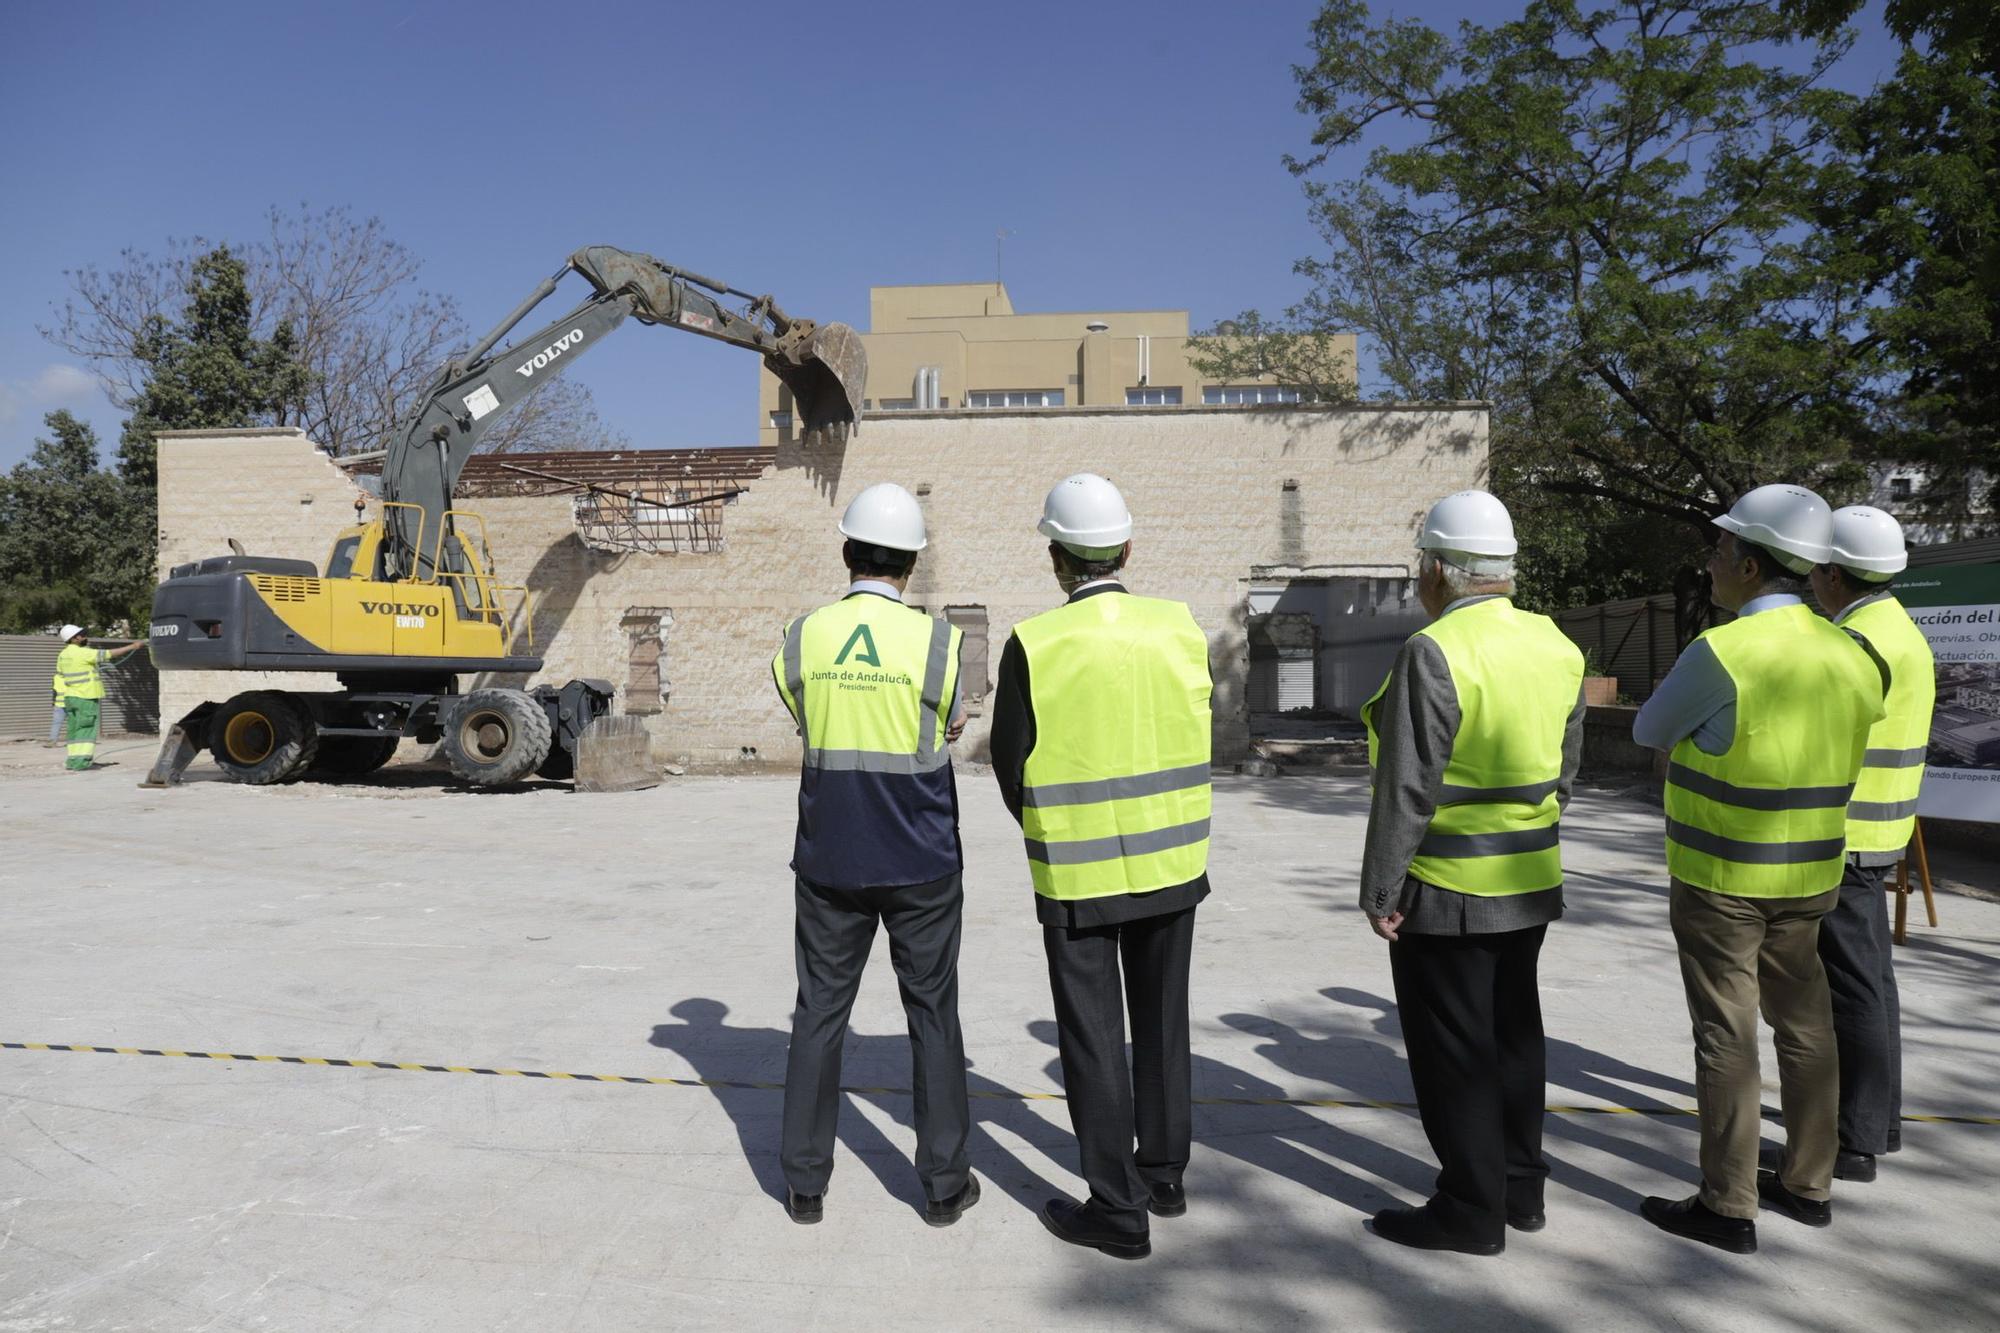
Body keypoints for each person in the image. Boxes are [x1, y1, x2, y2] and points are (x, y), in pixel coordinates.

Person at [1633, 485, 1887, 1253]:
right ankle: (1809, 1184)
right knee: (1808, 1027)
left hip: (1722, 878)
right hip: (1811, 875)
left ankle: (1728, 1202)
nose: (1709, 563)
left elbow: (1650, 726)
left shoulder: (1723, 651)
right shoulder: (1854, 652)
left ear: (1748, 563)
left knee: (1727, 1032)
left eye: (1717, 551)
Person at [1357, 490, 1586, 1256]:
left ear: (1443, 570)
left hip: (1448, 890)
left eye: (1423, 560)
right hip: (1529, 879)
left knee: (1455, 1053)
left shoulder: (1435, 651)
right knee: (1516, 1038)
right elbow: (1567, 768)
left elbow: (1407, 786)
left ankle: (1469, 1207)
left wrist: (1383, 889)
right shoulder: (1556, 643)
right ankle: (1521, 1189)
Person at [992, 472, 1212, 1262]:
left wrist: (1063, 824)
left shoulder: (1036, 642)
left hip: (1079, 874)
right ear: (1127, 547)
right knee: (1162, 1023)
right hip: (1174, 859)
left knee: (1093, 1036)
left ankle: (1118, 1206)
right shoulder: (1181, 627)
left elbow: (1011, 766)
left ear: (1057, 559)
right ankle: (1165, 1173)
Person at [769, 483, 979, 1229]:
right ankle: (945, 1184)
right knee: (932, 1013)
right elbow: (952, 721)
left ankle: (803, 1183)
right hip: (922, 860)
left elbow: (804, 713)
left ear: (846, 549)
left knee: (819, 1012)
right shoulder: (941, 644)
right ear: (913, 565)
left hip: (829, 859)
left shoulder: (802, 637)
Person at [1785, 505, 1933, 1182]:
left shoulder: (1856, 644)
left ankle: (1853, 1140)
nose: (1812, 580)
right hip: (1882, 833)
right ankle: (1875, 1123)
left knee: (1850, 991)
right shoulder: (1899, 629)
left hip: (1845, 836)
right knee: (1873, 982)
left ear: (1835, 575)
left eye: (1816, 568)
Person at [55, 625, 149, 771]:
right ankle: (82, 762)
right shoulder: (82, 653)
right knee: (86, 730)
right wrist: (133, 646)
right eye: (83, 634)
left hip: (71, 698)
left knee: (74, 729)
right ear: (74, 638)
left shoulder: (63, 655)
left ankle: (73, 761)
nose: (86, 636)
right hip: (85, 697)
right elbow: (108, 654)